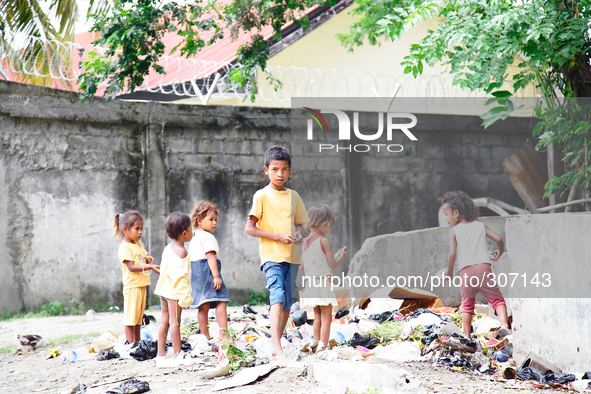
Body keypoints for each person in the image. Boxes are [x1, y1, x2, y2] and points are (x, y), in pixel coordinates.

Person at [245, 145, 309, 362]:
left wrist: (298, 235)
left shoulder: (294, 196)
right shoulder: (261, 195)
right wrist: (277, 236)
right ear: (266, 170)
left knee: (288, 304)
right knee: (278, 297)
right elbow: (250, 228)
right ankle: (275, 346)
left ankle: (277, 343)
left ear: (289, 170)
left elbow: (302, 225)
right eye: (274, 169)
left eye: (283, 169)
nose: (279, 174)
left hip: (292, 257)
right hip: (272, 256)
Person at [439, 191, 510, 338]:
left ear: (456, 213)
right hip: (483, 269)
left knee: (467, 306)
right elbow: (498, 239)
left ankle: (467, 336)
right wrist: (500, 251)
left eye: (447, 214)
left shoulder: (454, 231)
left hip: (466, 273)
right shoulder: (480, 226)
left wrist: (449, 273)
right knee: (497, 300)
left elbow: (452, 254)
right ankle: (504, 325)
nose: (446, 219)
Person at [299, 205, 347, 351]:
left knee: (317, 318)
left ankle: (316, 343)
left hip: (311, 286)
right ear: (324, 224)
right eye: (329, 226)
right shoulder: (323, 241)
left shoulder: (305, 243)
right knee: (327, 318)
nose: (329, 229)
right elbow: (332, 264)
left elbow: (302, 266)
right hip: (323, 284)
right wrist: (341, 255)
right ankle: (323, 347)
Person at [112, 211, 160, 345]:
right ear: (125, 230)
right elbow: (132, 267)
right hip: (132, 287)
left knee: (138, 319)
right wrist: (149, 267)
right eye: (136, 229)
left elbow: (139, 258)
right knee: (130, 319)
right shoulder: (125, 247)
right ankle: (130, 344)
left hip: (141, 286)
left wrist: (146, 258)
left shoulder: (136, 244)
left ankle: (138, 343)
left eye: (141, 229)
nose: (140, 232)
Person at [154, 212, 193, 362]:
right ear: (184, 232)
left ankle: (161, 352)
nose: (192, 232)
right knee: (175, 322)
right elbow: (180, 279)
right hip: (174, 292)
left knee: (165, 321)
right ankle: (177, 353)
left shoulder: (168, 248)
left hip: (163, 289)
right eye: (190, 229)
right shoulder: (182, 252)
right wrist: (185, 299)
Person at [189, 200, 230, 342]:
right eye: (211, 219)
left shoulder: (194, 236)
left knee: (203, 305)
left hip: (197, 273)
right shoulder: (208, 237)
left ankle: (204, 336)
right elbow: (210, 256)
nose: (214, 223)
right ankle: (223, 334)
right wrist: (216, 276)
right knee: (221, 301)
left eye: (215, 220)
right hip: (208, 273)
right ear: (199, 221)